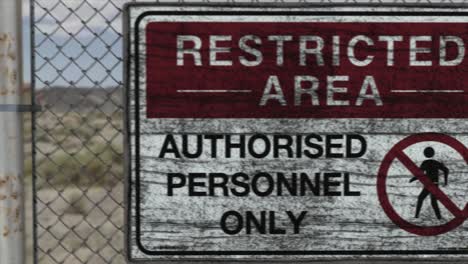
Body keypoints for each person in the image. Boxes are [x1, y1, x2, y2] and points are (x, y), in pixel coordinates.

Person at [409, 147, 449, 220]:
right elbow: (446, 170)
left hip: (429, 185)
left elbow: (419, 174)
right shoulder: (436, 163)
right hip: (435, 184)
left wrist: (413, 179)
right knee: (433, 202)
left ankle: (416, 216)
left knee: (421, 198)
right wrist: (446, 181)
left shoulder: (425, 163)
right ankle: (439, 218)